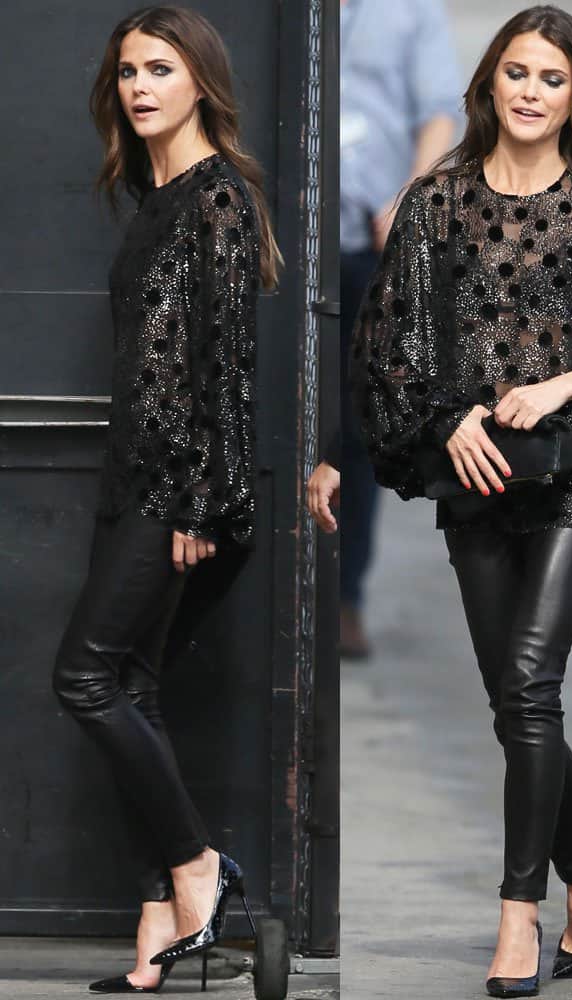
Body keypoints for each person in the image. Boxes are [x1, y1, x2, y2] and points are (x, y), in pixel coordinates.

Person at [349, 4, 572, 996]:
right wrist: (447, 417)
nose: (531, 92)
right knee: (514, 700)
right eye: (517, 72)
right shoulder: (437, 204)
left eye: (552, 78)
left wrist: (563, 383)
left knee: (532, 681)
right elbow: (389, 346)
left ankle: (517, 914)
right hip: (478, 477)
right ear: (488, 83)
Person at [52, 6, 281, 993]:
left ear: (202, 82)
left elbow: (224, 366)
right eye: (129, 71)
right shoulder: (155, 197)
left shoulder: (217, 198)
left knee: (85, 679)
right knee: (133, 689)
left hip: (173, 487)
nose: (141, 86)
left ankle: (198, 869)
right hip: (133, 478)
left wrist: (197, 503)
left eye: (160, 68)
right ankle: (158, 932)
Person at [340, 0, 462, 657]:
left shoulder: (410, 9)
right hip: (285, 240)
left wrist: (409, 199)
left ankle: (343, 596)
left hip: (371, 241)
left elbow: (440, 108)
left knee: (357, 425)